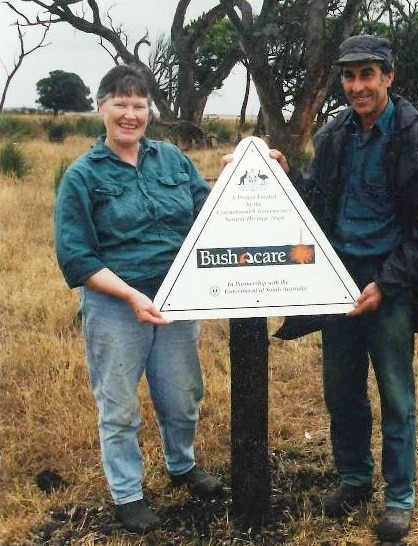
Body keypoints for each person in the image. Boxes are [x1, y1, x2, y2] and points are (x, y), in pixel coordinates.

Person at [269, 34, 418, 542]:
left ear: (389, 78)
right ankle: (353, 478)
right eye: (349, 77)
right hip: (339, 282)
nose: (357, 86)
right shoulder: (334, 136)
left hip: (389, 284)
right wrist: (289, 177)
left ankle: (399, 497)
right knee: (341, 389)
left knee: (396, 393)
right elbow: (319, 204)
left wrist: (386, 283)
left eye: (367, 75)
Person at [53, 64, 221, 535]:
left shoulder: (172, 160)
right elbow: (76, 256)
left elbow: (208, 212)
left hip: (175, 301)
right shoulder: (82, 176)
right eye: (120, 104)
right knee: (119, 405)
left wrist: (242, 171)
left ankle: (182, 466)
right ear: (101, 107)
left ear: (150, 110)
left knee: (182, 396)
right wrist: (129, 295)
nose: (130, 114)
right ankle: (128, 494)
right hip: (116, 305)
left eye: (138, 105)